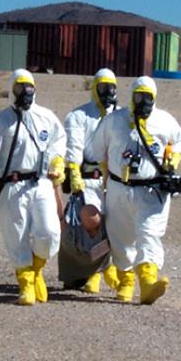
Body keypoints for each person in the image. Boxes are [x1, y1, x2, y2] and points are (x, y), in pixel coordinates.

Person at [0, 68, 66, 306]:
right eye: (19, 88)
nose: (24, 92)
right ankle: (25, 283)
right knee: (17, 236)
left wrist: (57, 161)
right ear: (11, 90)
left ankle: (37, 269)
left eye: (29, 87)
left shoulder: (46, 117)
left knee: (50, 233)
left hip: (41, 182)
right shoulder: (1, 121)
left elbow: (58, 140)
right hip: (13, 186)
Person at [91, 76, 181, 305]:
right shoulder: (114, 120)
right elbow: (97, 148)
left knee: (149, 233)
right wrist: (105, 171)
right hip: (118, 188)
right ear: (131, 96)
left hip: (151, 190)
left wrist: (174, 156)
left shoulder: (165, 121)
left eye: (148, 97)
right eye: (139, 96)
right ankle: (126, 281)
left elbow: (180, 140)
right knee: (120, 237)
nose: (143, 101)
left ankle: (148, 283)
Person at [60, 68, 120, 293]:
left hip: (115, 179)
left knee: (115, 226)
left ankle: (107, 269)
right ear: (95, 88)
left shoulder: (121, 116)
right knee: (92, 226)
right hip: (89, 179)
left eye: (112, 87)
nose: (108, 92)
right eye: (103, 87)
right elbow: (73, 144)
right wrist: (73, 170)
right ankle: (94, 271)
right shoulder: (79, 116)